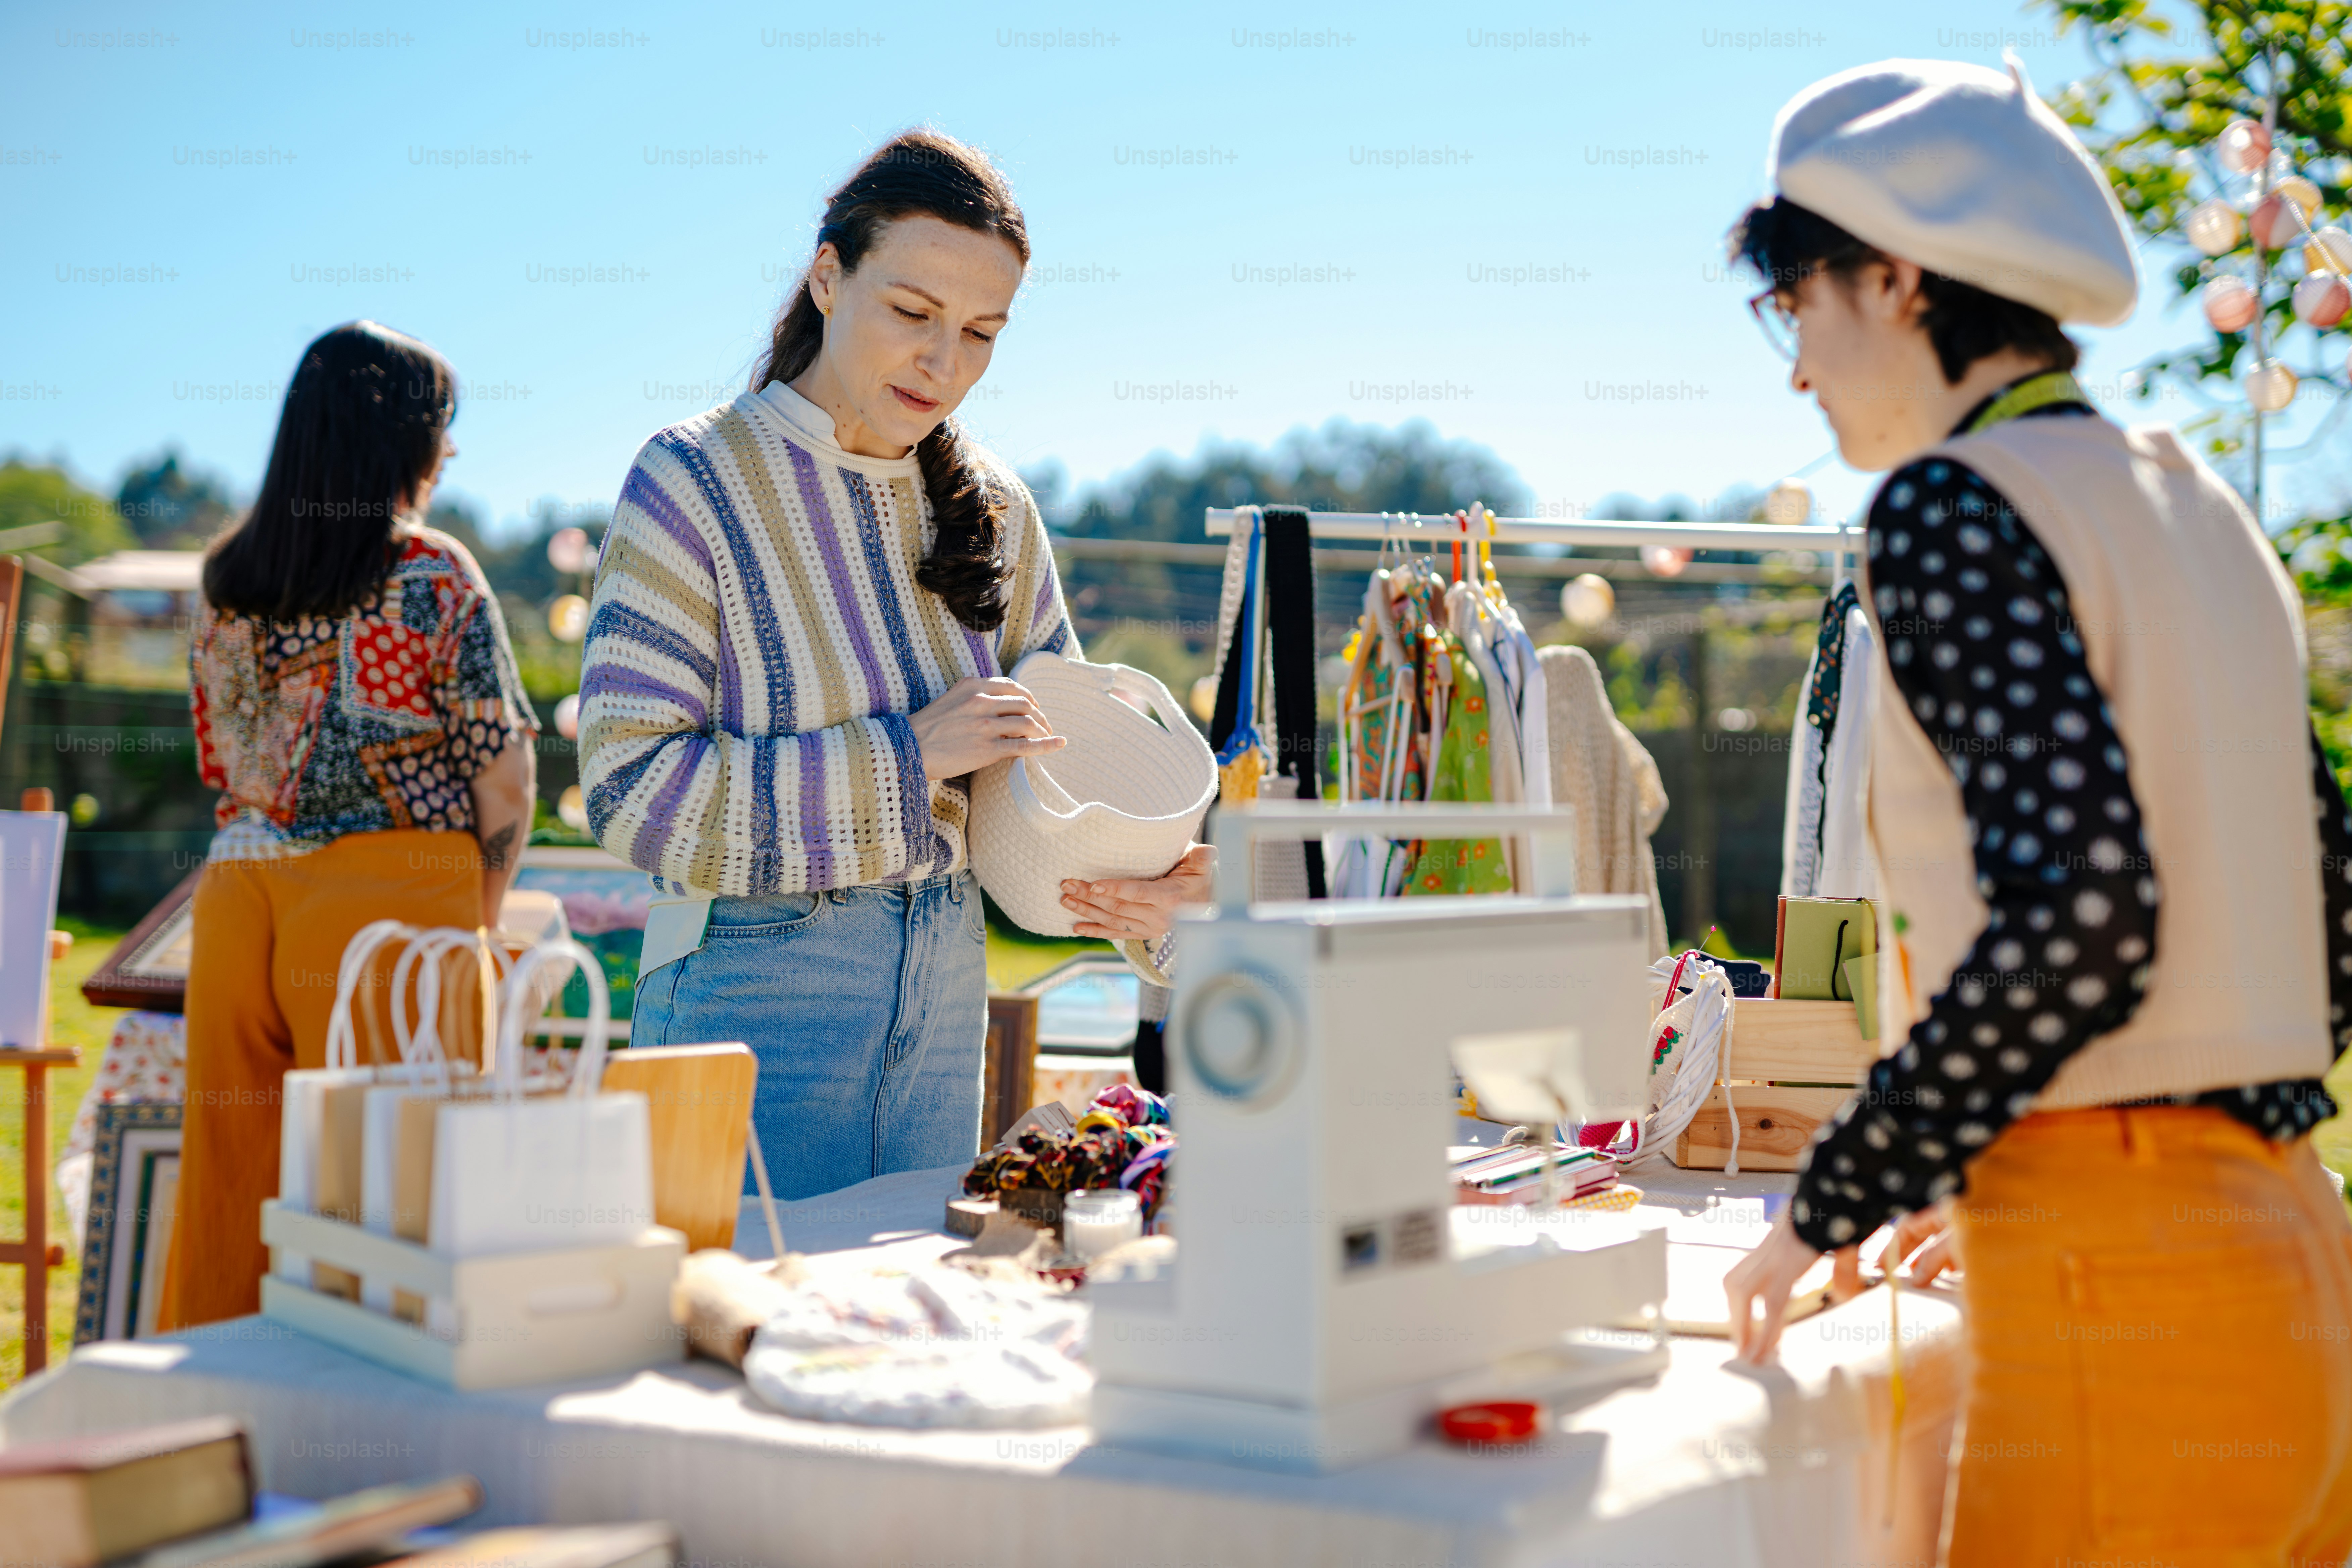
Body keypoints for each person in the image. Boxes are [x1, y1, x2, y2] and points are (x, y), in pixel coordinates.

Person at [1718, 59, 2352, 1560]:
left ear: (1895, 277)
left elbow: (2077, 918)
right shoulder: (2198, 504)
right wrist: (2019, 1134)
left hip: (2120, 1287)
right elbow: (2327, 914)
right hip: (2295, 1254)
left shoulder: (1954, 506)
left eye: (1795, 303)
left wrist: (1851, 1183)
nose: (1797, 363)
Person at [580, 130, 1210, 1200]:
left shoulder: (1001, 513)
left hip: (945, 995)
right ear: (828, 276)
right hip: (747, 995)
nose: (946, 362)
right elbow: (630, 791)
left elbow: (1050, 801)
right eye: (914, 314)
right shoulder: (691, 480)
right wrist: (908, 755)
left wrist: (1143, 888)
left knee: (890, 1340)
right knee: (723, 1338)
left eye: (982, 333)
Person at [159, 322, 538, 1329]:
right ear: (397, 438)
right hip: (394, 905)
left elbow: (221, 766)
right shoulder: (434, 575)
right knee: (392, 1211)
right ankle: (379, 1438)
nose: (449, 450)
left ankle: (213, 1425)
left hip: (240, 901)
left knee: (230, 1190)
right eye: (441, 427)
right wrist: (483, 921)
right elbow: (503, 775)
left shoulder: (225, 584)